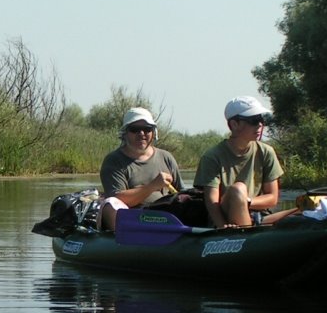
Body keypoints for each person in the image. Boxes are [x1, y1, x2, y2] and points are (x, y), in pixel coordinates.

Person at [195, 96, 285, 228]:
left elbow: (272, 198)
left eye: (261, 119)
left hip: (259, 216)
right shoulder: (212, 157)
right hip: (226, 218)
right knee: (238, 189)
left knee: (309, 206)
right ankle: (246, 238)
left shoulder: (267, 152)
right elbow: (212, 202)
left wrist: (246, 201)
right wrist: (222, 228)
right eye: (253, 120)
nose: (260, 124)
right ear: (234, 124)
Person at [97, 107, 183, 231]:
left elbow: (181, 193)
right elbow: (118, 198)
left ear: (153, 133)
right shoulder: (113, 161)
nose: (141, 134)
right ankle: (121, 243)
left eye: (147, 129)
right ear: (125, 133)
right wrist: (152, 186)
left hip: (167, 216)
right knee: (110, 204)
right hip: (133, 219)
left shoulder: (166, 157)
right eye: (134, 129)